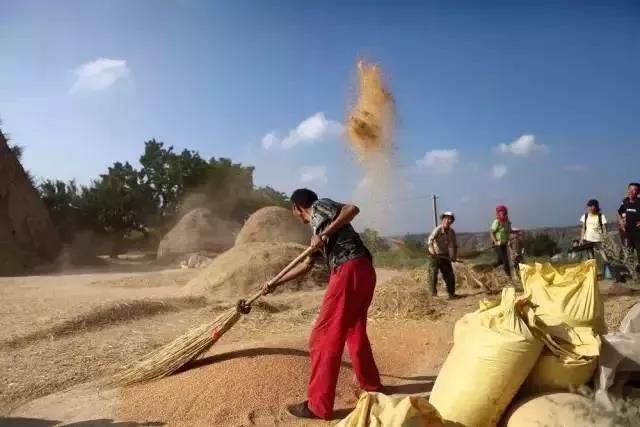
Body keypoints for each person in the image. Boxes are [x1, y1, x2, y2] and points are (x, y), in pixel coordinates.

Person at [259, 188, 382, 420]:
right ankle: (372, 387)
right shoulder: (317, 228)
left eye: (293, 211)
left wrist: (325, 235)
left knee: (323, 336)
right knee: (355, 331)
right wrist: (274, 283)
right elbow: (306, 266)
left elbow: (352, 209)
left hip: (348, 270)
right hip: (363, 270)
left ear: (297, 208)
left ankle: (318, 405)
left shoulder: (319, 207)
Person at [426, 212, 458, 299]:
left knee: (449, 275)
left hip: (444, 255)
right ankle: (433, 294)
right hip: (434, 255)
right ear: (443, 220)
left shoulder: (451, 232)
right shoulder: (438, 230)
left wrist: (453, 256)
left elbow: (454, 245)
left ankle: (451, 293)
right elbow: (430, 240)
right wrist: (433, 252)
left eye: (450, 219)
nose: (448, 221)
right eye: (447, 218)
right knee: (433, 273)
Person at [618, 183, 640, 275]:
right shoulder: (625, 201)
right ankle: (630, 273)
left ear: (638, 192)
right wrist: (621, 222)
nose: (631, 191)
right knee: (627, 252)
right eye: (629, 189)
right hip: (627, 232)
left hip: (638, 233)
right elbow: (619, 212)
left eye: (634, 190)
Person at [491, 205, 512, 278]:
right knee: (505, 260)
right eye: (500, 212)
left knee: (500, 261)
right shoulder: (496, 221)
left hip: (504, 243)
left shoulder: (507, 222)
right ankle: (509, 277)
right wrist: (495, 241)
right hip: (498, 244)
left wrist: (516, 233)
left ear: (505, 212)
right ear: (498, 213)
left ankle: (489, 268)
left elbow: (509, 231)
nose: (502, 214)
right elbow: (492, 232)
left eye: (503, 212)